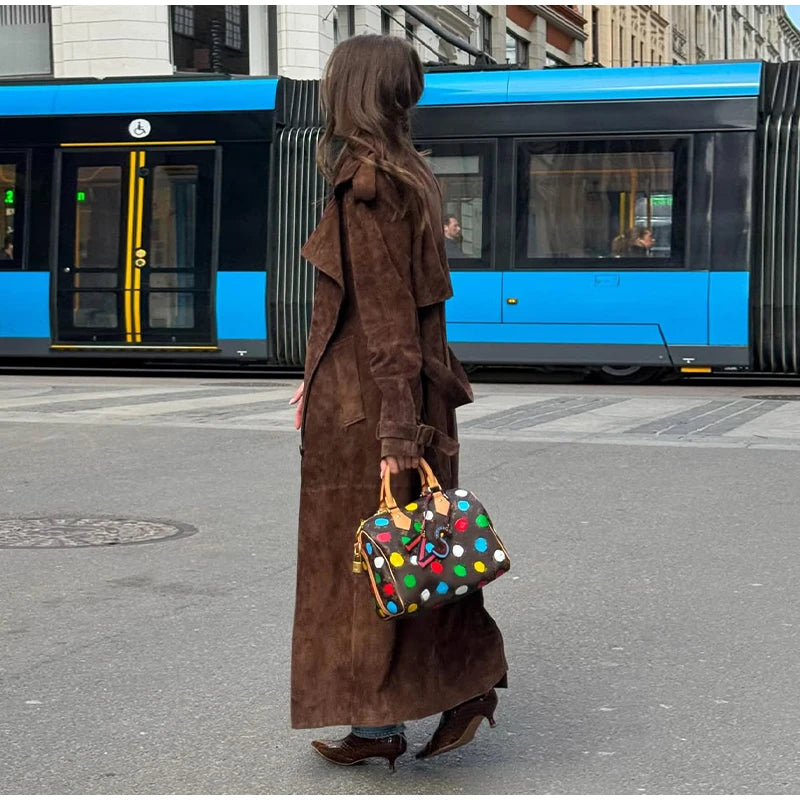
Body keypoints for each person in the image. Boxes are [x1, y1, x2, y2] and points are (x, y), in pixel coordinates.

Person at [288, 34, 507, 772]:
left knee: (370, 567)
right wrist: (316, 373)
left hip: (373, 413)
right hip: (399, 396)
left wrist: (396, 438)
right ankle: (415, 706)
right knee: (419, 553)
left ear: (349, 91)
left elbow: (387, 325)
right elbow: (374, 313)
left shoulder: (368, 185)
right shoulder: (411, 173)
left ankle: (409, 710)